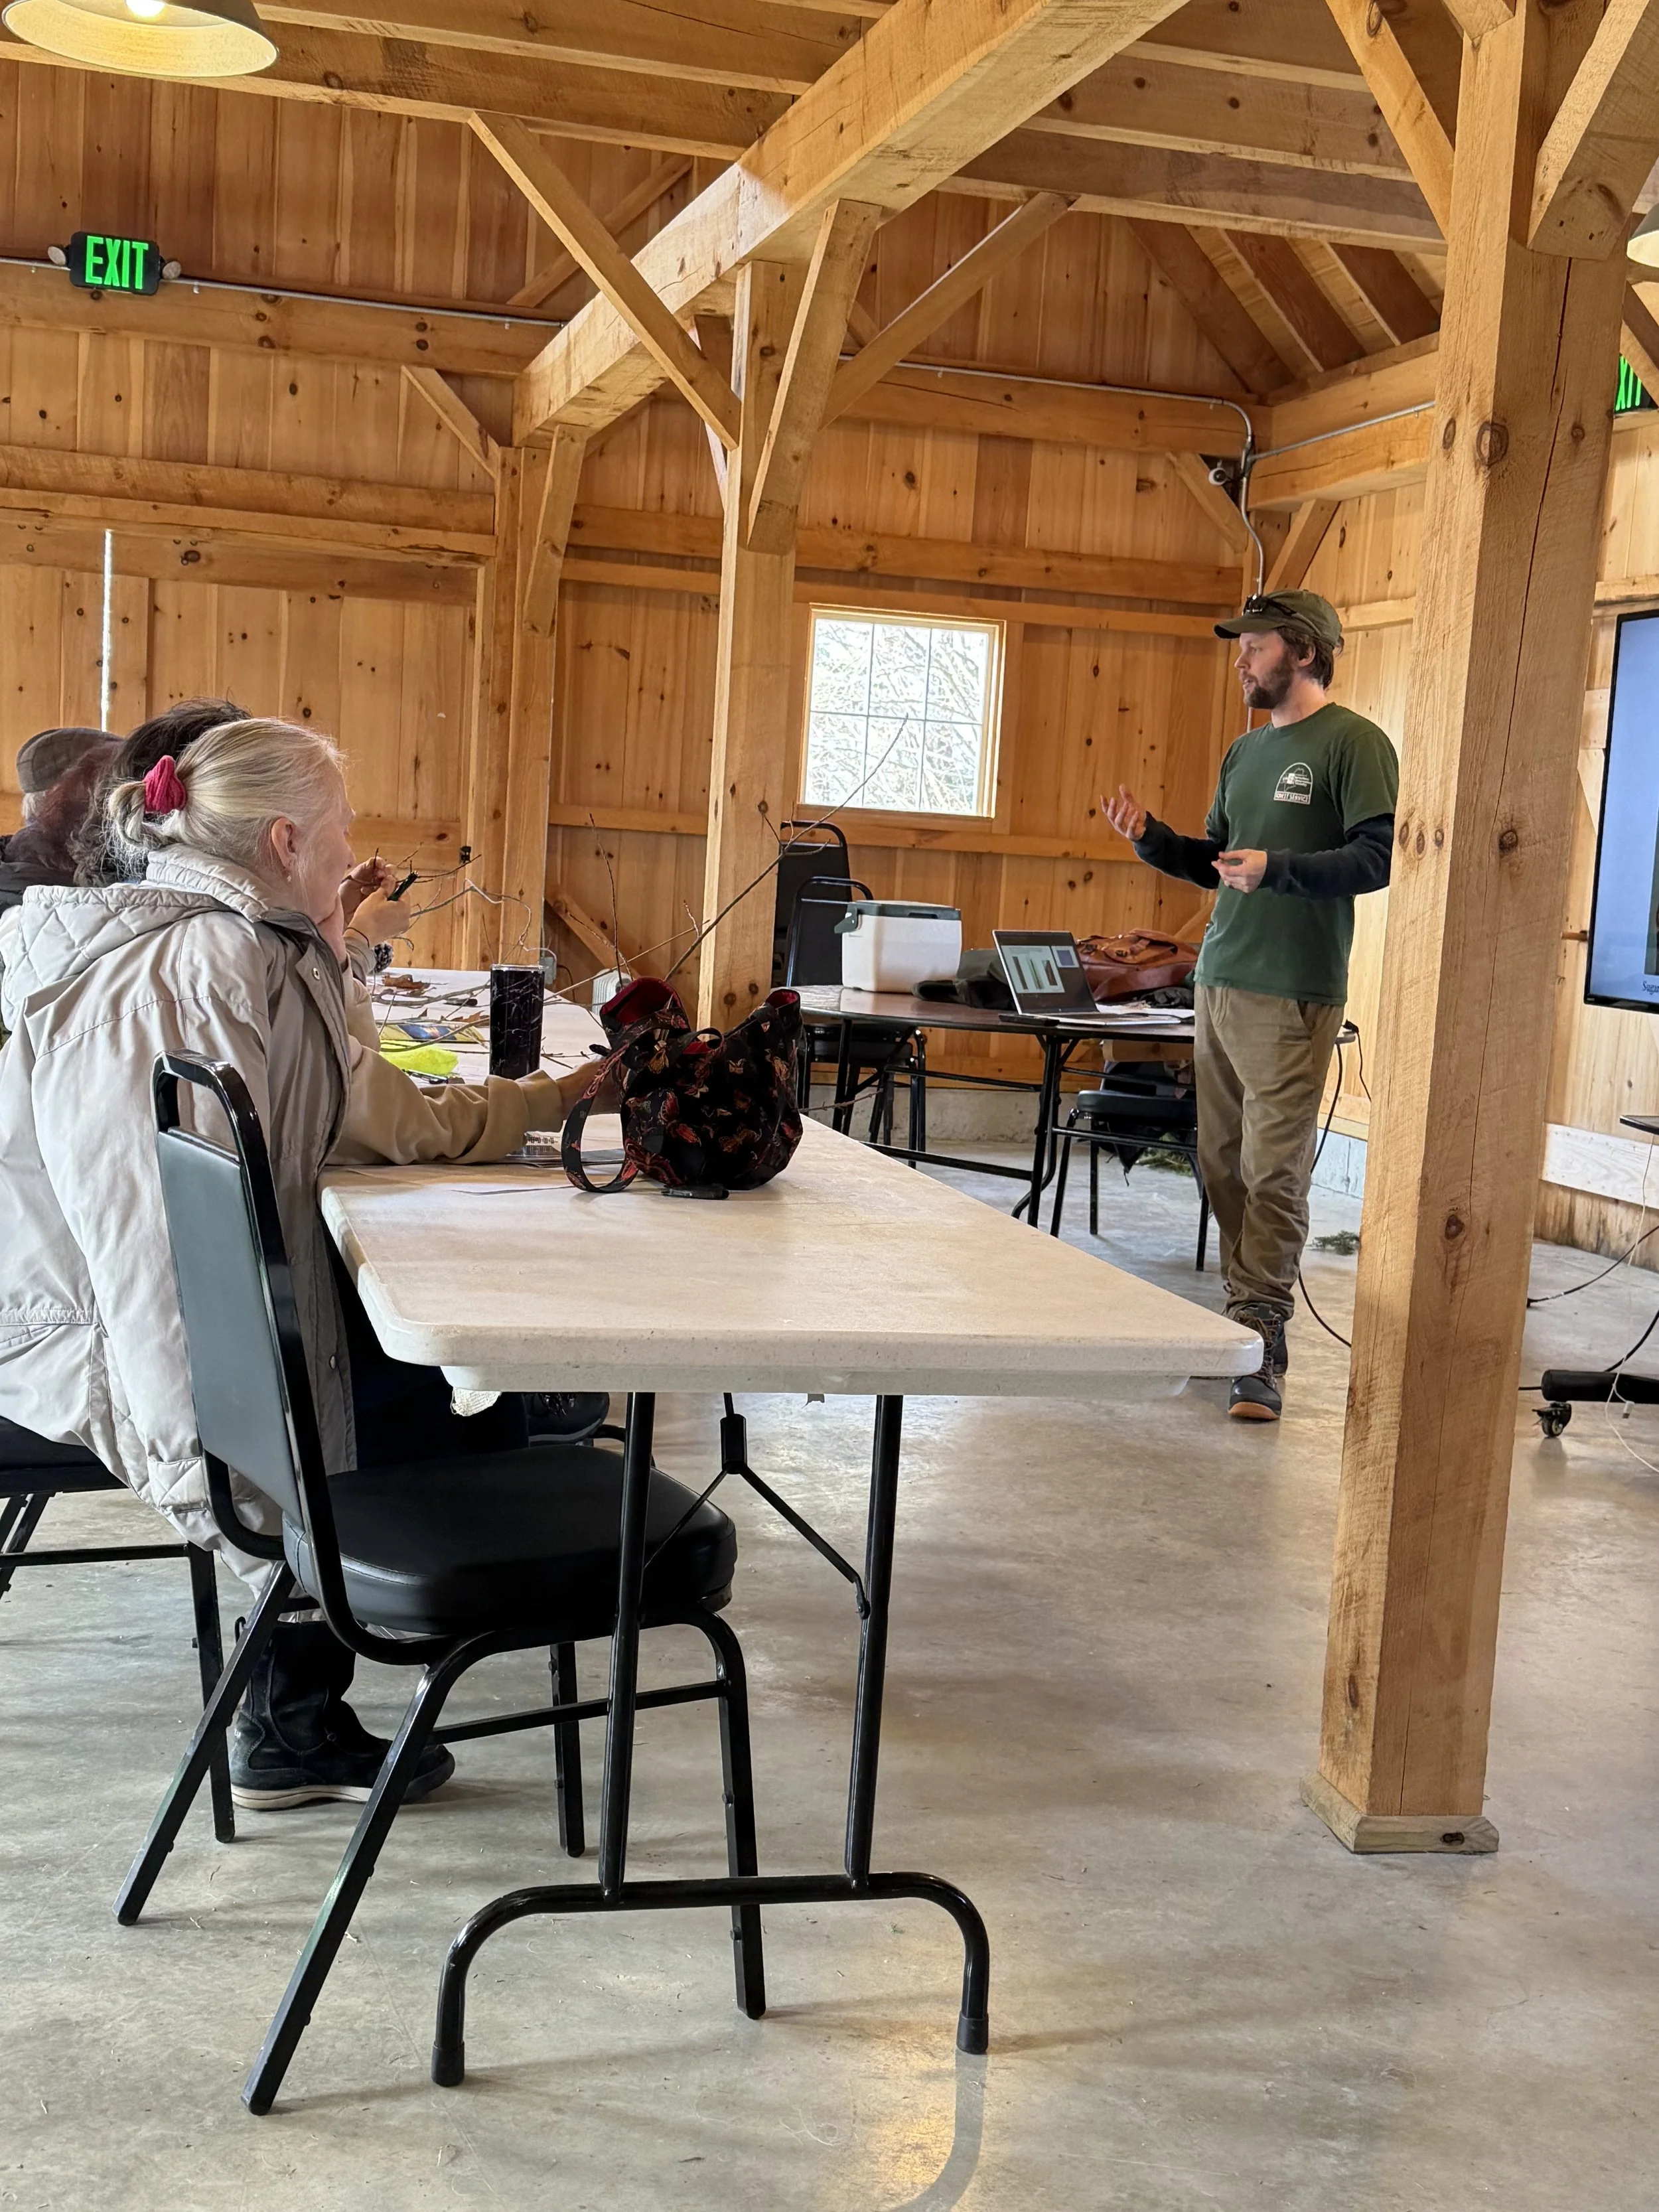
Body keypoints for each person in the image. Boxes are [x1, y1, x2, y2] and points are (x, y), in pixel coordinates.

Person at [0, 717, 607, 1808]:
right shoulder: (192, 973)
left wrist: (544, 1096)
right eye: (340, 831)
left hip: (130, 1319)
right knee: (424, 1386)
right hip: (92, 1338)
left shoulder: (237, 950)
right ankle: (290, 1706)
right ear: (284, 839)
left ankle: (322, 1672)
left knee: (435, 1375)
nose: (350, 851)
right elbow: (155, 1267)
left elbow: (366, 1115)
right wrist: (241, 1494)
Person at [1105, 588, 1397, 1424]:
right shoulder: (1243, 753)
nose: (1241, 658)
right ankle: (1245, 1305)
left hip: (1293, 989)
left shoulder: (1355, 744)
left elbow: (1375, 858)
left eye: (1255, 646)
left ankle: (1261, 1331)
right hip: (1219, 981)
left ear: (1302, 652)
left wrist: (1283, 870)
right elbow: (1219, 863)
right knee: (1221, 1162)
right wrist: (1154, 841)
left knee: (1273, 1168)